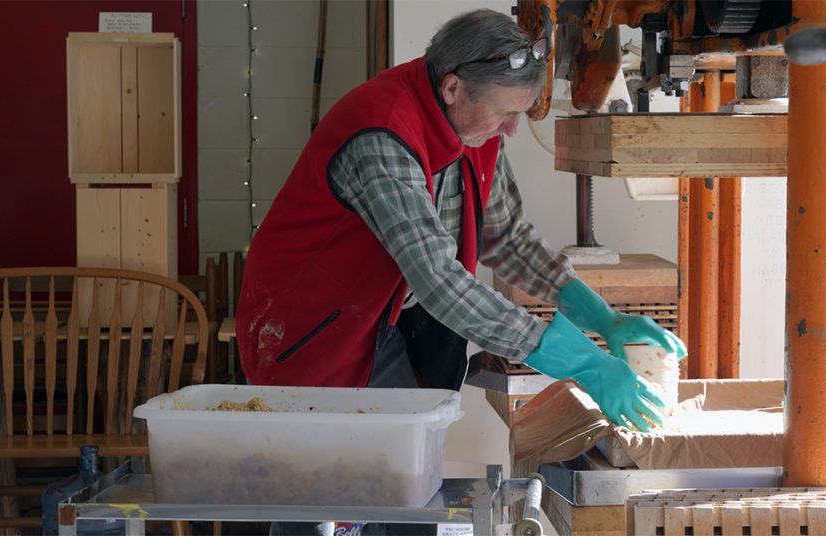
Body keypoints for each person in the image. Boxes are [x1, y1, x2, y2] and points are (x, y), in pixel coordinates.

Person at [236, 10, 686, 533]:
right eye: (505, 113)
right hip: (310, 331)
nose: (512, 129)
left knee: (408, 485)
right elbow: (441, 281)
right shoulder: (381, 135)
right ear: (453, 87)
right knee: (323, 494)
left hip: (382, 322)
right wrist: (584, 363)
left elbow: (511, 241)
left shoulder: (477, 130)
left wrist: (604, 320)